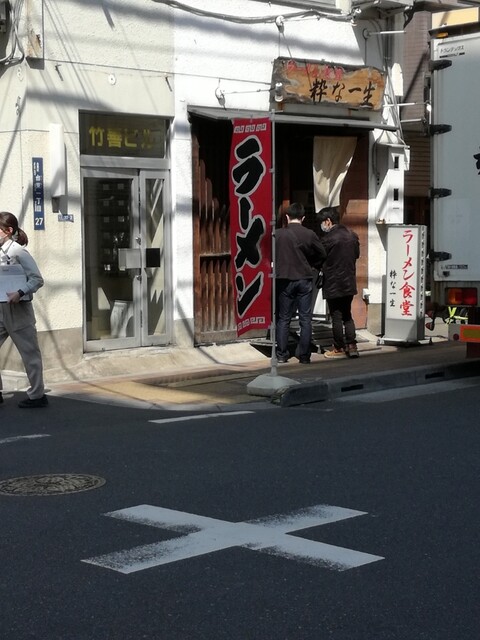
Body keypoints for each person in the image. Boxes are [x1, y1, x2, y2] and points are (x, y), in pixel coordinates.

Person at [0, 212, 48, 408]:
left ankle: (37, 396)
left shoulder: (18, 252)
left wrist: (20, 292)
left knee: (29, 354)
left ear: (8, 231)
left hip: (19, 309)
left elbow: (37, 279)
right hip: (0, 308)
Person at [275, 202, 326, 364]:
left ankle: (281, 354)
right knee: (305, 318)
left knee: (284, 318)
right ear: (303, 218)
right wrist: (313, 264)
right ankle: (304, 356)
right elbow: (322, 253)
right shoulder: (309, 234)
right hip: (304, 278)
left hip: (284, 279)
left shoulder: (278, 234)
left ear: (287, 217)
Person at [316, 206, 360, 359]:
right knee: (347, 314)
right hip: (349, 281)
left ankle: (339, 347)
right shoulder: (352, 235)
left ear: (328, 221)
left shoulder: (327, 239)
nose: (322, 225)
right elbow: (357, 255)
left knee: (336, 315)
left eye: (322, 222)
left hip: (333, 282)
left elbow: (319, 258)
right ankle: (352, 346)